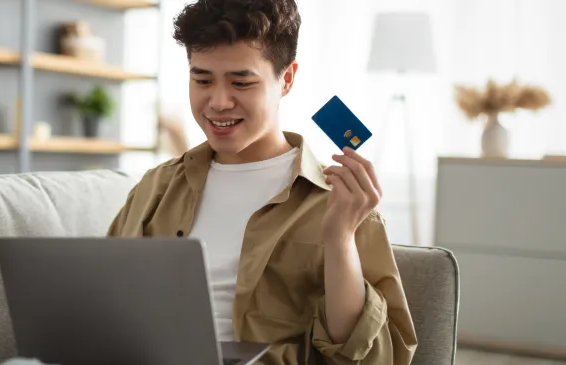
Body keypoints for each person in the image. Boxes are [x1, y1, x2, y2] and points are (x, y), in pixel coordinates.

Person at [106, 0, 418, 363]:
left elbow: (375, 359)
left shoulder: (341, 203)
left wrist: (339, 239)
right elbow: (104, 302)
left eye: (241, 82)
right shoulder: (156, 187)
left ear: (286, 79)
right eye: (202, 79)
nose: (218, 102)